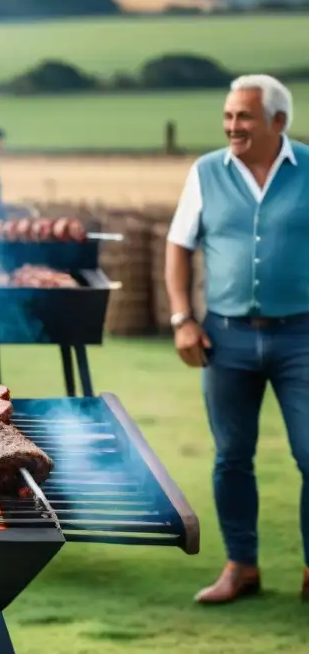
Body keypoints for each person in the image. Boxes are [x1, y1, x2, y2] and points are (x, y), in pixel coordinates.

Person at [165, 74, 309, 604]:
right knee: (231, 457)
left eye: (243, 117)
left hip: (303, 337)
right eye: (228, 116)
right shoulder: (205, 172)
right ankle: (241, 567)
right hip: (224, 340)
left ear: (278, 121)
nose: (231, 126)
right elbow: (178, 246)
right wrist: (183, 318)